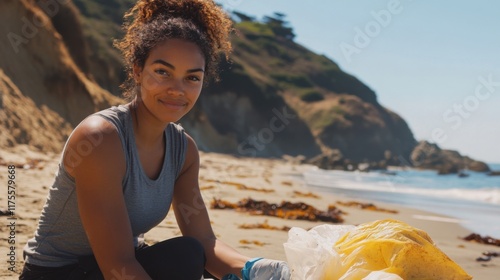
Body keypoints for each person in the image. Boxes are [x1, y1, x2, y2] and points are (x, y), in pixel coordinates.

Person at [20, 0, 290, 279]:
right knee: (184, 259)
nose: (177, 90)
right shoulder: (101, 138)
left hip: (116, 265)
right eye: (163, 72)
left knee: (189, 254)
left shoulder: (183, 151)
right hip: (58, 273)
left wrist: (251, 268)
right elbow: (118, 266)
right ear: (138, 70)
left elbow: (205, 242)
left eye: (192, 78)